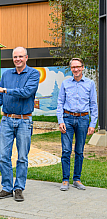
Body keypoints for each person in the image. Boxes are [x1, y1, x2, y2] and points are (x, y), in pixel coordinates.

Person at [0, 47, 40, 202]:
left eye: (20, 56)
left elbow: (26, 92)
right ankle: (7, 188)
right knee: (4, 156)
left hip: (25, 121)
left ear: (26, 57)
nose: (17, 59)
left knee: (22, 157)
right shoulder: (6, 74)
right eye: (15, 57)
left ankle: (19, 188)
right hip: (6, 120)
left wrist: (5, 90)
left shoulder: (33, 74)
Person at [57, 58, 98, 191]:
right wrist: (60, 120)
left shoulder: (90, 84)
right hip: (67, 119)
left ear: (82, 67)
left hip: (83, 119)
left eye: (78, 67)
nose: (75, 69)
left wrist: (92, 124)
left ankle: (77, 179)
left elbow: (93, 104)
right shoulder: (65, 83)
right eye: (73, 67)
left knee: (79, 151)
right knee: (66, 150)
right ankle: (65, 180)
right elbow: (60, 103)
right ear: (71, 68)